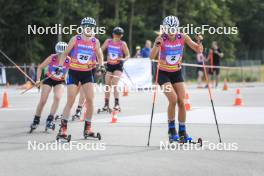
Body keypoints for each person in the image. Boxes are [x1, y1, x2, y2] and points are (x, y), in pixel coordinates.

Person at [150, 16, 203, 142]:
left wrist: (199, 41)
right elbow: (151, 57)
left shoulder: (182, 37)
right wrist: (157, 45)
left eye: (173, 29)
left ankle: (183, 131)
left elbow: (198, 50)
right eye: (168, 29)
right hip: (163, 74)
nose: (171, 32)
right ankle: (172, 130)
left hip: (176, 73)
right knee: (173, 99)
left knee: (181, 102)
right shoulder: (161, 39)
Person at [56, 17, 105, 138]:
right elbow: (65, 53)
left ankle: (88, 128)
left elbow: (100, 55)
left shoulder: (95, 41)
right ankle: (63, 129)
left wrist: (102, 65)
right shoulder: (75, 39)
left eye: (91, 27)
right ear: (82, 27)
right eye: (86, 26)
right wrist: (60, 66)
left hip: (87, 73)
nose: (88, 29)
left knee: (90, 100)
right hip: (74, 73)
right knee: (71, 100)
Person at [29, 42, 69, 132]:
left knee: (57, 98)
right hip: (49, 79)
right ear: (57, 52)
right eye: (59, 54)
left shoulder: (68, 60)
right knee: (43, 100)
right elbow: (40, 67)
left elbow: (67, 70)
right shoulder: (52, 57)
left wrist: (66, 78)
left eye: (63, 54)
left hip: (60, 81)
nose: (61, 56)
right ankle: (36, 119)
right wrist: (38, 80)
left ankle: (50, 119)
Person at [100, 27, 130, 112]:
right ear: (113, 34)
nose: (118, 36)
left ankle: (117, 104)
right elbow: (100, 50)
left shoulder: (122, 44)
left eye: (119, 35)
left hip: (118, 65)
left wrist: (124, 59)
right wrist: (100, 58)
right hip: (109, 65)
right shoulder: (108, 41)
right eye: (116, 34)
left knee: (114, 83)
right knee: (107, 84)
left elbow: (128, 55)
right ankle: (106, 104)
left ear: (121, 36)